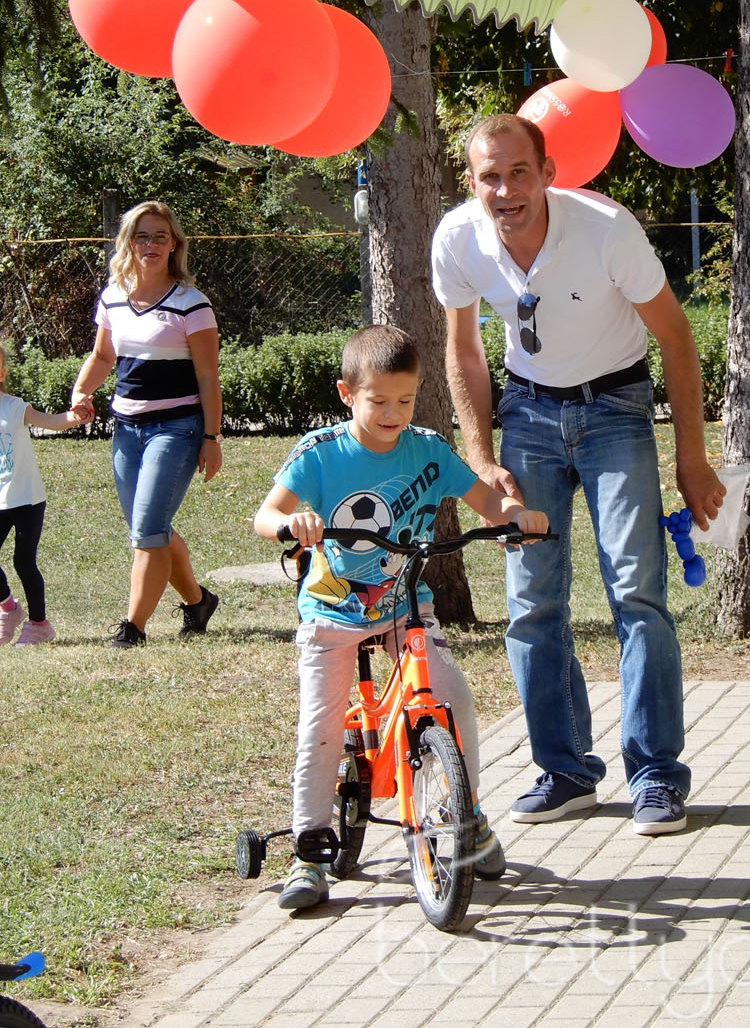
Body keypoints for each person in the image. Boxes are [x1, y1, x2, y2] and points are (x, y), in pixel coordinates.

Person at [431, 113, 726, 836]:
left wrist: (691, 458)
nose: (506, 190)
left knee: (637, 591)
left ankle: (656, 776)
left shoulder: (605, 229)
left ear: (548, 173)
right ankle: (564, 772)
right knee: (531, 600)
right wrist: (481, 455)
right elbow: (464, 350)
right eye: (490, 177)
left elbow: (676, 336)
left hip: (615, 408)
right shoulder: (457, 239)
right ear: (472, 182)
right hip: (528, 414)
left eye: (519, 173)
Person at [253, 324, 548, 911]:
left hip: (405, 607)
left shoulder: (428, 450)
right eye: (379, 400)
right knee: (321, 726)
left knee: (452, 698)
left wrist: (514, 512)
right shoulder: (320, 453)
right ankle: (309, 851)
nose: (393, 413)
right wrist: (292, 523)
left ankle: (467, 815)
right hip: (331, 611)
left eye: (406, 400)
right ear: (347, 394)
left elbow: (485, 500)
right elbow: (265, 515)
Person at [72, 201, 223, 648]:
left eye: (160, 236)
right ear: (129, 243)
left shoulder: (191, 303)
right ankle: (198, 602)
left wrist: (212, 437)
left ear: (174, 244)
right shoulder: (113, 296)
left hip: (176, 429)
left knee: (148, 530)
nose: (151, 244)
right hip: (126, 430)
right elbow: (103, 356)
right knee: (150, 529)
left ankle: (133, 628)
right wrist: (81, 392)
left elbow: (208, 377)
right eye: (142, 236)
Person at [0, 345, 92, 646]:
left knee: (23, 562)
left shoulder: (13, 407)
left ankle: (39, 625)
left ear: (2, 373)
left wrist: (74, 417)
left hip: (26, 498)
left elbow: (50, 421)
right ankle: (9, 609)